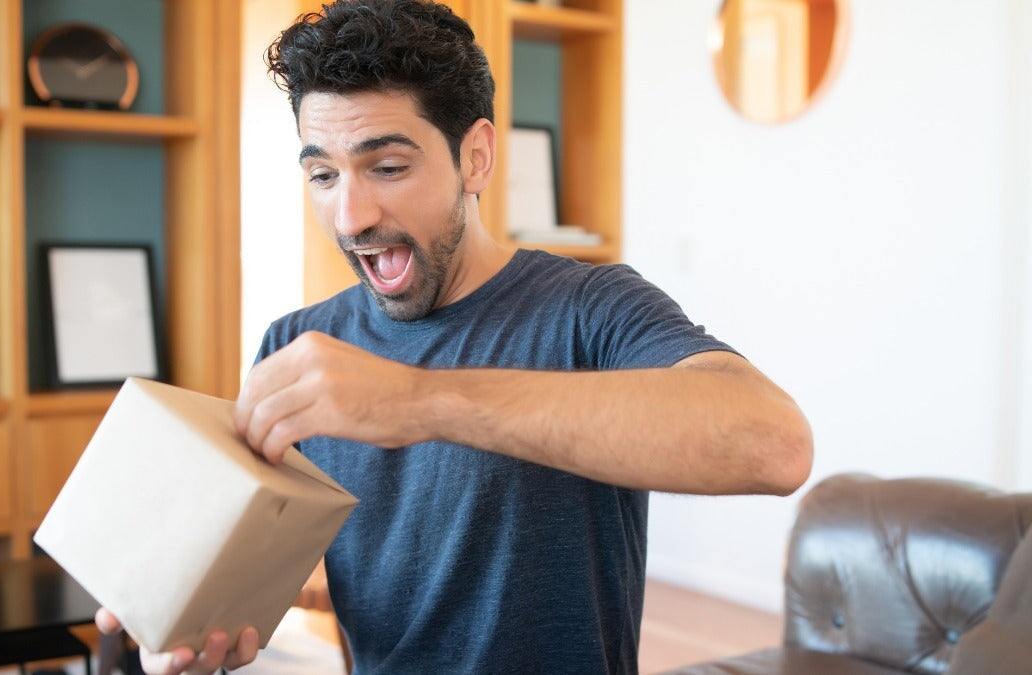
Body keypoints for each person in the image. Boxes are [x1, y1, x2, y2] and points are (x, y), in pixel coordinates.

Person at [96, 1, 813, 672]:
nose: (349, 215)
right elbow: (331, 570)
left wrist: (419, 399)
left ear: (476, 157)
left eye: (387, 166)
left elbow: (774, 444)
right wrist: (213, 611)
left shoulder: (588, 307)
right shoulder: (300, 344)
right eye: (322, 173)